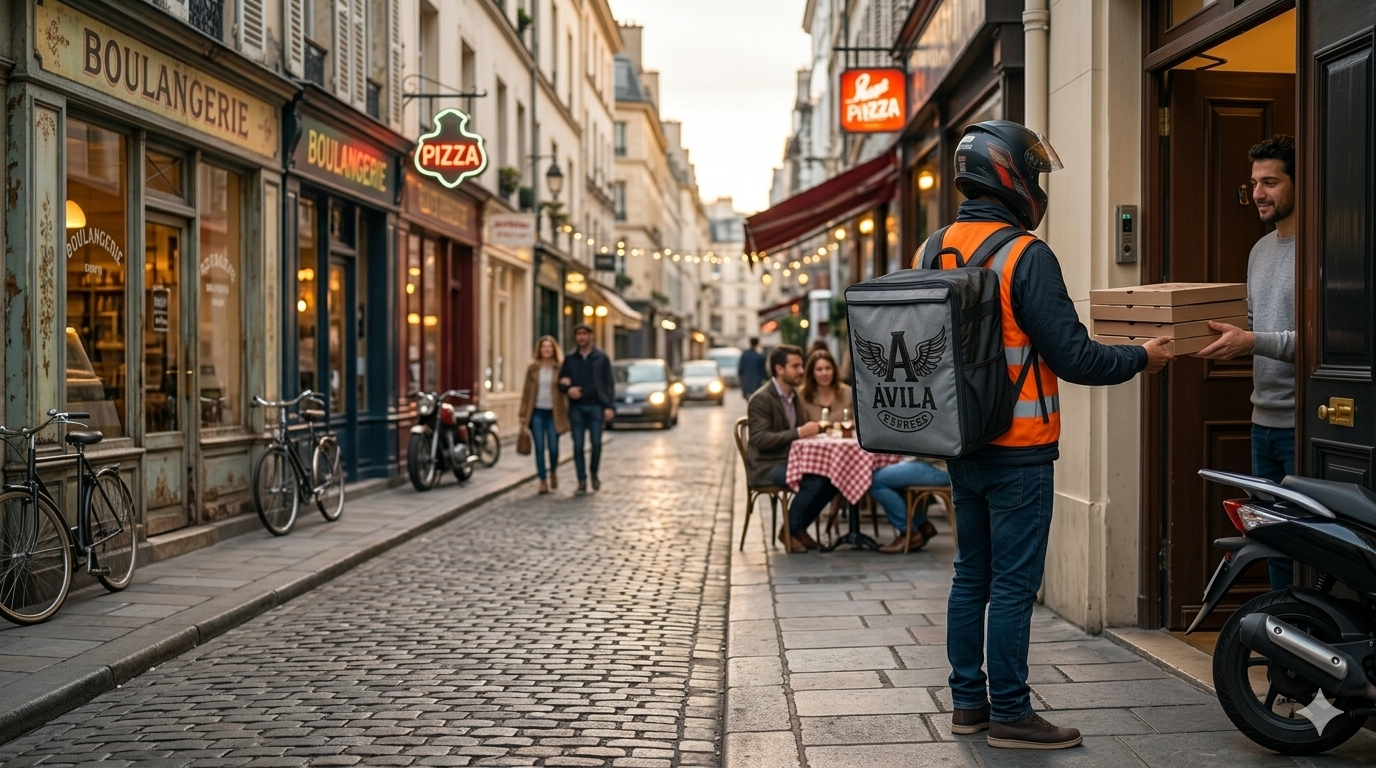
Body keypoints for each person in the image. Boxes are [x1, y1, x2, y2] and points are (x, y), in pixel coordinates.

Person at [916, 121, 1174, 750]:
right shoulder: (1025, 256)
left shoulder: (933, 248)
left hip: (960, 442)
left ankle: (969, 705)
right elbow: (1077, 358)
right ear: (1012, 178)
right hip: (1020, 450)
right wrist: (1143, 356)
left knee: (970, 575)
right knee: (1012, 585)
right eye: (1034, 174)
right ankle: (1011, 713)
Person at [1195, 134, 1297, 591]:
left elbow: (1332, 342)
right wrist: (1200, 337)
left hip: (1306, 427)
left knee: (1306, 546)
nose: (1258, 193)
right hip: (1263, 423)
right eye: (1255, 182)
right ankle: (1286, 641)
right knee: (1271, 540)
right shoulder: (1259, 250)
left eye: (1270, 182)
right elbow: (1252, 324)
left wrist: (1252, 340)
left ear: (1301, 182)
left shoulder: (1324, 249)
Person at [746, 344, 839, 553]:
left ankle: (797, 528)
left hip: (791, 461)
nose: (801, 371)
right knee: (814, 481)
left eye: (801, 365)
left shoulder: (795, 396)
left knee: (834, 478)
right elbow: (759, 438)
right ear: (780, 369)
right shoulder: (761, 399)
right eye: (795, 366)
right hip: (766, 466)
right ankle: (790, 530)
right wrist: (799, 432)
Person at [558, 323, 614, 494]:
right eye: (578, 334)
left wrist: (609, 406)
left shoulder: (601, 358)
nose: (581, 337)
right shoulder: (570, 359)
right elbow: (561, 382)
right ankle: (581, 480)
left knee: (596, 443)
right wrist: (568, 390)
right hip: (577, 408)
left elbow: (609, 383)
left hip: (596, 406)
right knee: (578, 446)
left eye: (584, 334)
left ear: (591, 336)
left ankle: (594, 474)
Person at [518, 335, 570, 495]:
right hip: (537, 413)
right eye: (543, 347)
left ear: (553, 349)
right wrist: (522, 415)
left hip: (554, 413)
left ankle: (553, 471)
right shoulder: (533, 368)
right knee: (539, 447)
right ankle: (542, 480)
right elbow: (526, 392)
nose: (546, 349)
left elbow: (566, 390)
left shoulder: (560, 368)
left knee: (553, 448)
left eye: (549, 347)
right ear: (539, 350)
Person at [871, 458, 951, 554]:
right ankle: (922, 525)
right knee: (888, 479)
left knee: (876, 481)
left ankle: (908, 533)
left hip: (941, 468)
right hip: (937, 464)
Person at [798, 349, 853, 424]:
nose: (824, 373)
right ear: (812, 374)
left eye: (828, 368)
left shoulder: (848, 393)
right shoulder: (802, 395)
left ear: (834, 370)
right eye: (819, 369)